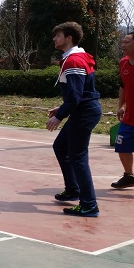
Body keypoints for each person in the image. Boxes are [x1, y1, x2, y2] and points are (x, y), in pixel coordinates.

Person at [47, 22, 101, 217]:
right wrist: (62, 108)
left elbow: (76, 97)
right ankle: (73, 189)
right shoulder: (74, 58)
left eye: (58, 35)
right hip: (82, 110)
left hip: (84, 112)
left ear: (69, 38)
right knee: (61, 147)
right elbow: (78, 94)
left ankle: (89, 205)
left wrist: (59, 116)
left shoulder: (74, 61)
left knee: (78, 157)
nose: (54, 38)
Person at [112, 31, 134, 189]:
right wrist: (121, 106)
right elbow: (123, 85)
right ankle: (129, 176)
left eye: (127, 42)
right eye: (122, 42)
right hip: (131, 117)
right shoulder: (123, 62)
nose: (123, 45)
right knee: (122, 146)